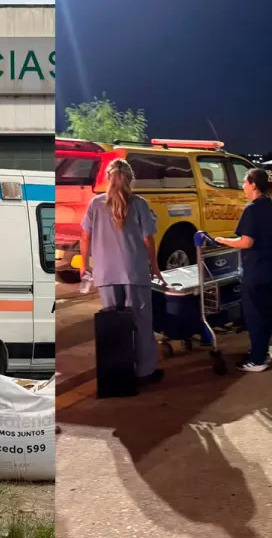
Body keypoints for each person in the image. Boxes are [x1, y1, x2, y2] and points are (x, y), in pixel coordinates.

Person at [80, 159, 166, 387]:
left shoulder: (95, 204)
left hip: (106, 273)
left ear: (108, 178)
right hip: (134, 271)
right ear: (130, 179)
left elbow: (85, 236)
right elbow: (148, 239)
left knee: (113, 326)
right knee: (141, 322)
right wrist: (154, 265)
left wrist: (83, 265)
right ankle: (144, 372)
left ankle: (118, 374)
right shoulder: (139, 204)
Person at [215, 169, 272, 372]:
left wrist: (223, 241)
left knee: (255, 316)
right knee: (266, 313)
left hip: (256, 271)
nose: (243, 186)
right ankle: (261, 350)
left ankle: (257, 359)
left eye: (245, 182)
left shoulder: (252, 210)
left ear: (254, 185)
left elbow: (247, 242)